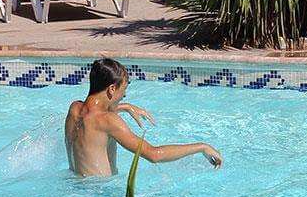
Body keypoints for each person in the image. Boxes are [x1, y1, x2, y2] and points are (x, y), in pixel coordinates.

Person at [64, 58, 222, 178]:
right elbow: (154, 155)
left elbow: (94, 116)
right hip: (102, 195)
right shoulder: (109, 121)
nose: (124, 95)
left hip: (79, 187)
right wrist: (202, 147)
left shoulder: (75, 109)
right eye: (123, 89)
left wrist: (124, 106)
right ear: (112, 89)